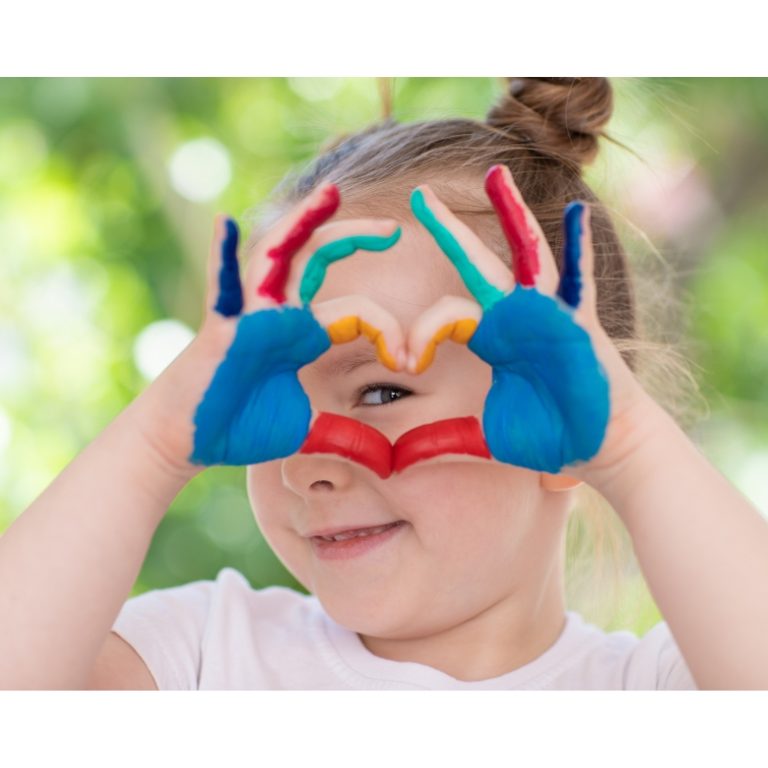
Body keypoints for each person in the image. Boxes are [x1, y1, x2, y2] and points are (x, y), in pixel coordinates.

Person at [2, 77, 766, 690]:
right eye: (274, 403)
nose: (306, 463)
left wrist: (628, 449)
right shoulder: (200, 655)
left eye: (379, 392)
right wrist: (155, 444)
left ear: (565, 415)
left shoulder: (655, 692)